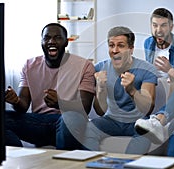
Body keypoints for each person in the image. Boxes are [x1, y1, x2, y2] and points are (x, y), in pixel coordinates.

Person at [56, 26, 158, 154]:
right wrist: (100, 89)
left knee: (146, 132)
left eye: (120, 45)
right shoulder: (99, 69)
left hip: (138, 121)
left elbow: (147, 108)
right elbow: (100, 111)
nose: (115, 50)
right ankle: (92, 164)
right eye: (111, 45)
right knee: (89, 128)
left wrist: (132, 90)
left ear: (131, 49)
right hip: (110, 120)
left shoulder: (147, 69)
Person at [4, 23, 96, 147]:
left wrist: (60, 103)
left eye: (57, 37)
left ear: (66, 42)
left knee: (71, 118)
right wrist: (15, 101)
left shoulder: (85, 66)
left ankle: (63, 163)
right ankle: (19, 155)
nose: (51, 41)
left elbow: (85, 108)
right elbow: (23, 106)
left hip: (69, 122)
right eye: (47, 38)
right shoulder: (29, 65)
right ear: (42, 42)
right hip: (39, 123)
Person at [144, 7, 174, 78]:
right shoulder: (147, 43)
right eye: (155, 25)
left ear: (171, 27)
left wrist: (170, 70)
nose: (159, 30)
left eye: (163, 25)